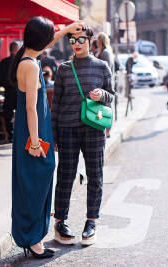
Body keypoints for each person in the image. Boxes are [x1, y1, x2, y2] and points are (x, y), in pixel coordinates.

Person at [9, 16, 84, 259]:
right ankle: (32, 240)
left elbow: (47, 42)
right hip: (33, 133)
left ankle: (33, 238)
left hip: (34, 131)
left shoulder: (28, 57)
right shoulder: (30, 65)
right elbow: (31, 108)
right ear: (41, 39)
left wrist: (66, 31)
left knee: (35, 182)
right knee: (35, 184)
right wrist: (33, 142)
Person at [51, 26, 114, 246]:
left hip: (94, 129)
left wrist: (101, 95)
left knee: (95, 176)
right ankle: (60, 222)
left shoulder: (101, 66)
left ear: (90, 40)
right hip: (67, 129)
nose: (77, 44)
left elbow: (111, 96)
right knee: (65, 176)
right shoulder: (64, 69)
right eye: (73, 40)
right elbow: (56, 104)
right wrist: (54, 134)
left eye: (81, 39)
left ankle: (91, 222)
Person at [0, 41, 19, 142]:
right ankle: (20, 133)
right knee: (21, 112)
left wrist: (7, 84)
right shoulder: (20, 61)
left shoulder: (3, 62)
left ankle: (10, 134)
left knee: (8, 114)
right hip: (20, 91)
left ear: (9, 50)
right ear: (17, 50)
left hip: (8, 91)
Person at [95, 32, 115, 138]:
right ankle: (104, 128)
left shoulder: (105, 53)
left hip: (105, 83)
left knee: (107, 106)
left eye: (98, 40)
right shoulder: (102, 51)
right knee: (102, 106)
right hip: (101, 83)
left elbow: (106, 69)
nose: (96, 42)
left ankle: (108, 130)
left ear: (101, 41)